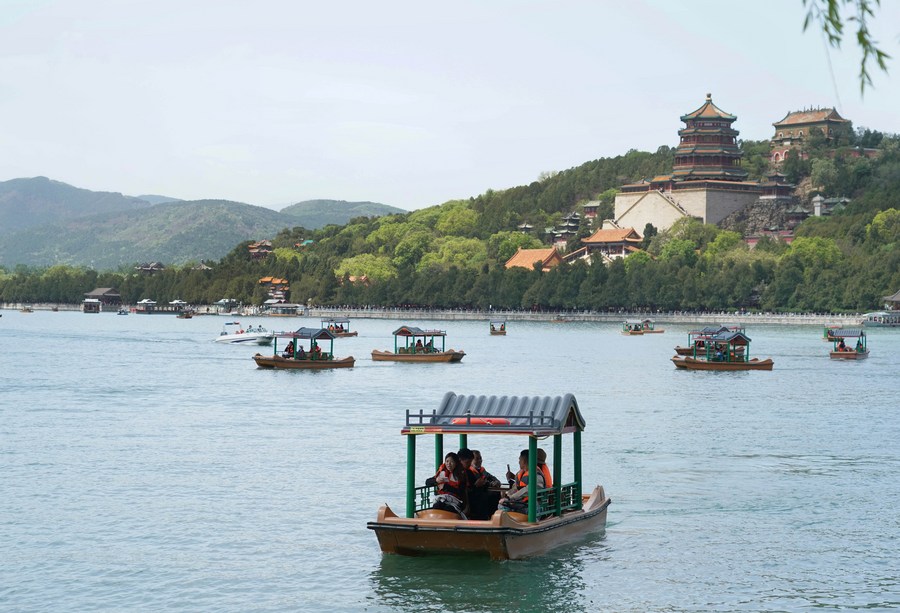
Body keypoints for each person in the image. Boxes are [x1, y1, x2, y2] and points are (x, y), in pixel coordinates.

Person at [498, 449, 545, 514]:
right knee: (502, 505)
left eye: (520, 460)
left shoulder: (537, 476)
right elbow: (515, 488)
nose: (519, 462)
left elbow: (528, 490)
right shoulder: (521, 473)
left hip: (532, 505)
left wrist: (511, 498)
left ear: (524, 461)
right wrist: (507, 496)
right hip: (521, 503)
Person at [426, 452, 468, 518]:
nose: (449, 464)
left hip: (456, 500)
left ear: (456, 463)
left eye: (451, 462)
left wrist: (446, 487)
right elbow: (427, 482)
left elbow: (460, 492)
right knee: (437, 505)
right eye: (447, 461)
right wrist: (436, 480)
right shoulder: (442, 472)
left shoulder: (461, 475)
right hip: (442, 498)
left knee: (448, 508)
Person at [466, 449, 502, 520]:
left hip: (484, 497)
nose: (479, 460)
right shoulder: (469, 472)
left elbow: (494, 479)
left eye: (480, 458)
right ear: (471, 460)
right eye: (476, 459)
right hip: (474, 499)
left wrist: (495, 482)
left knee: (495, 494)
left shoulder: (482, 471)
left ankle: (493, 517)